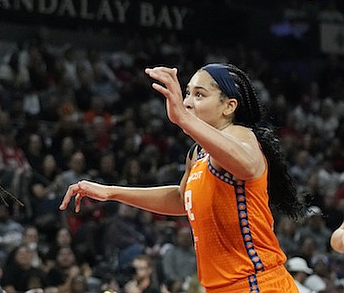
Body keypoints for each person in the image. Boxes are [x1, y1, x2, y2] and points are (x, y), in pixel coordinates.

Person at [60, 63, 303, 292]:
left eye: (199, 95)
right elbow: (180, 199)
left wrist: (183, 120)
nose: (186, 102)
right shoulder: (197, 153)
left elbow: (249, 166)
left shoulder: (240, 134)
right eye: (187, 93)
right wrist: (111, 192)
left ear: (229, 106)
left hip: (258, 284)